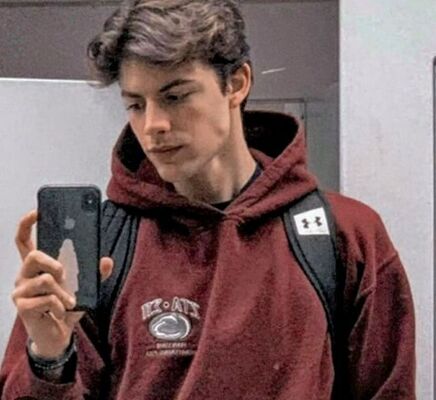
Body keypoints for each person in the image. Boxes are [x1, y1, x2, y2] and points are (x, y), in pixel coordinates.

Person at [0, 0, 415, 399]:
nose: (153, 125)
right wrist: (48, 360)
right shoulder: (101, 248)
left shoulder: (345, 236)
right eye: (135, 105)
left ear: (236, 84)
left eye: (175, 96)